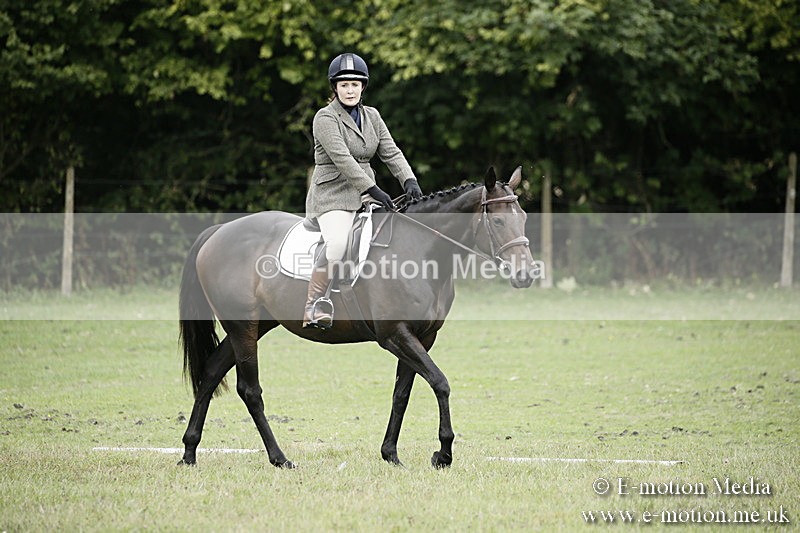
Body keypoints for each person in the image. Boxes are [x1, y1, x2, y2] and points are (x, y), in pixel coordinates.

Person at [303, 52, 423, 329]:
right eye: (344, 84)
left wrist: (409, 180)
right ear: (335, 88)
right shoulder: (325, 118)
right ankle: (314, 303)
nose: (349, 90)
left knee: (395, 235)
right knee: (338, 243)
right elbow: (343, 160)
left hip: (366, 194)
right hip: (333, 195)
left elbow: (390, 151)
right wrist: (373, 188)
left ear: (363, 87)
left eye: (355, 84)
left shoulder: (372, 116)